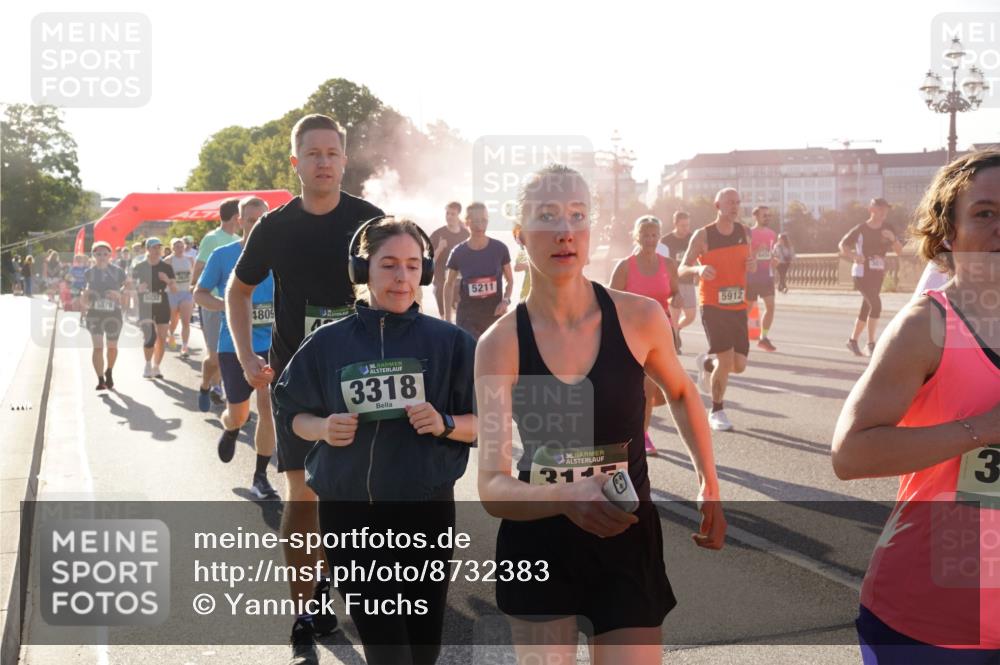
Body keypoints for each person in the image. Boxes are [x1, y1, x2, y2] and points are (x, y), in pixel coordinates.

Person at [476, 164, 726, 665]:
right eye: (548, 216)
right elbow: (492, 486)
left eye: (578, 215)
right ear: (520, 234)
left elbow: (681, 392)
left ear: (592, 229)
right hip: (539, 544)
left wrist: (709, 483)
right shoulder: (500, 343)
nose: (565, 230)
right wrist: (566, 496)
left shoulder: (640, 317)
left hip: (625, 535)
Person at [273, 216, 477, 664]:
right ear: (362, 269)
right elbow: (293, 416)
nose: (401, 277)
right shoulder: (326, 344)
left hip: (426, 515)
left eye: (412, 265)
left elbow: (486, 424)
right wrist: (322, 428)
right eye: (388, 265)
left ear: (425, 272)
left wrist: (444, 422)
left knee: (423, 651)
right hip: (350, 516)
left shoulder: (452, 343)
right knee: (389, 653)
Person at [831, 149, 1000, 663]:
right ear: (948, 232)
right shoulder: (926, 326)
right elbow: (851, 454)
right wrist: (984, 428)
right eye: (985, 213)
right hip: (932, 619)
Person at [229, 113, 384, 665]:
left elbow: (400, 286)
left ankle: (337, 581)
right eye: (313, 153)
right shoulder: (274, 227)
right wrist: (246, 356)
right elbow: (238, 291)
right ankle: (302, 614)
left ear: (344, 160)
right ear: (296, 162)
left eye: (332, 153)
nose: (324, 162)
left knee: (361, 495)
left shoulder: (370, 221)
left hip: (362, 379)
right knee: (304, 495)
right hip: (297, 379)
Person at [195, 197, 278, 499]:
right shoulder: (223, 255)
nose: (256, 225)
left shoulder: (281, 256)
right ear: (240, 221)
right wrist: (228, 307)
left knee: (268, 408)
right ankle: (231, 428)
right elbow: (200, 293)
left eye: (262, 220)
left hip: (273, 344)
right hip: (234, 346)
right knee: (239, 415)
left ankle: (260, 477)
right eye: (251, 220)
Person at [679, 188, 756, 432]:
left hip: (737, 304)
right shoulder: (704, 235)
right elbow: (681, 268)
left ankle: (707, 365)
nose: (735, 206)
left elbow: (749, 263)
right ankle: (717, 410)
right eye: (730, 202)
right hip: (712, 304)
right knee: (726, 359)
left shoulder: (745, 232)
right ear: (717, 205)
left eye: (738, 202)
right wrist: (698, 270)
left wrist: (752, 264)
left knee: (739, 364)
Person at [609, 215, 681, 457]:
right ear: (636, 237)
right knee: (641, 388)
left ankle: (640, 431)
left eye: (653, 235)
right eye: (645, 235)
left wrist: (678, 298)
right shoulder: (625, 266)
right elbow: (610, 301)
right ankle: (640, 434)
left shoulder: (668, 265)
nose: (650, 239)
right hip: (632, 335)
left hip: (661, 333)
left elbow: (675, 292)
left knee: (656, 390)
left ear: (659, 237)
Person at [839, 198, 904, 357]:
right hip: (861, 272)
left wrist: (893, 238)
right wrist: (853, 256)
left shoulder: (888, 228)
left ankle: (852, 341)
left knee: (867, 307)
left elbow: (900, 251)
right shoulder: (861, 229)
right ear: (871, 209)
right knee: (876, 305)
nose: (884, 212)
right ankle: (870, 343)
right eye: (880, 209)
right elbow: (842, 245)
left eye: (886, 209)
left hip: (877, 273)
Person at [194, 199, 242, 410]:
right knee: (214, 357)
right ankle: (206, 385)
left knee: (231, 353)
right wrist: (195, 286)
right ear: (236, 217)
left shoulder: (239, 241)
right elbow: (200, 265)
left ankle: (222, 392)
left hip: (236, 307)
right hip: (214, 303)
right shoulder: (212, 239)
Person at [443, 202, 513, 339]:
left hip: (494, 317)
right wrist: (447, 319)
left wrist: (505, 301)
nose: (480, 226)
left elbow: (510, 281)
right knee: (471, 351)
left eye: (484, 220)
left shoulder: (500, 249)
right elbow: (449, 284)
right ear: (466, 222)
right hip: (467, 319)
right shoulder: (458, 252)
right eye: (475, 221)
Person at [82, 241, 126, 390]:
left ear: (110, 255)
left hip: (113, 313)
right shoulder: (88, 273)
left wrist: (118, 294)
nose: (102, 256)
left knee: (112, 347)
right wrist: (85, 299)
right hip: (95, 314)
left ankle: (109, 371)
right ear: (93, 255)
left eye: (105, 254)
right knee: (98, 348)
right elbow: (84, 294)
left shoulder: (118, 272)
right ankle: (100, 379)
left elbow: (127, 290)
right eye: (98, 254)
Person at [130, 238, 176, 379]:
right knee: (150, 337)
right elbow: (130, 287)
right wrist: (138, 288)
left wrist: (167, 280)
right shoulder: (139, 267)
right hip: (146, 304)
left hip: (162, 303)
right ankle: (148, 364)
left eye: (159, 247)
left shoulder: (167, 267)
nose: (157, 250)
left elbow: (174, 289)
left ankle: (156, 367)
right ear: (147, 249)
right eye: (154, 247)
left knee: (162, 338)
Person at [661, 211, 697, 350]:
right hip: (673, 282)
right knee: (674, 316)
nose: (686, 228)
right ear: (675, 224)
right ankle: (675, 344)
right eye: (682, 225)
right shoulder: (666, 240)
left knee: (691, 315)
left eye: (687, 225)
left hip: (688, 280)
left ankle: (677, 329)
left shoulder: (692, 238)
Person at [746, 206, 779, 352]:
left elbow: (771, 253)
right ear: (756, 216)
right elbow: (744, 255)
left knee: (771, 306)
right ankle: (737, 335)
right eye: (764, 215)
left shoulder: (772, 234)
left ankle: (763, 338)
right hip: (751, 276)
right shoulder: (749, 233)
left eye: (768, 215)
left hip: (767, 276)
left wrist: (774, 260)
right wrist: (756, 251)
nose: (767, 218)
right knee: (747, 309)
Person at [429, 201, 470, 318]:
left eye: (453, 214)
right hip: (441, 283)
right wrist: (439, 248)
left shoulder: (466, 235)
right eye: (447, 213)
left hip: (459, 283)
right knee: (445, 319)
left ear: (459, 215)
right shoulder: (437, 234)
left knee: (460, 316)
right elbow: (430, 262)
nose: (449, 216)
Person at [164, 237, 195, 358]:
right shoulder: (168, 260)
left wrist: (193, 285)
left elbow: (195, 275)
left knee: (186, 321)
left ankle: (184, 347)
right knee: (174, 319)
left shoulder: (190, 259)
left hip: (186, 293)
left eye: (182, 246)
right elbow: (161, 276)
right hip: (172, 293)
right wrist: (170, 283)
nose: (180, 249)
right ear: (172, 248)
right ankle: (171, 334)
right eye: (177, 247)